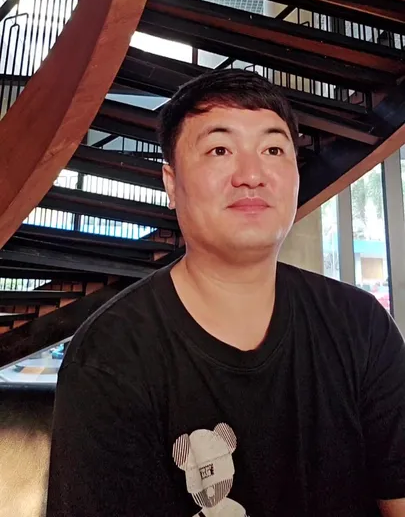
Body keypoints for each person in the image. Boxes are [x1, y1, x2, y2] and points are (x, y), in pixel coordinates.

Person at [46, 69, 405, 517]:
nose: (252, 175)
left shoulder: (361, 325)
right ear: (171, 184)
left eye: (273, 150)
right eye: (220, 150)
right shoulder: (111, 356)